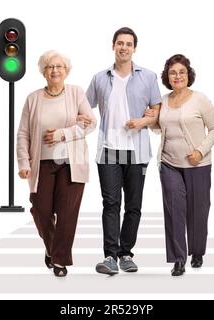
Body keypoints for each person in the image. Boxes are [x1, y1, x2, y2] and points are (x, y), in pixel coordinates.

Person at [86, 27, 162, 275]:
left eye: (129, 44)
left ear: (134, 48)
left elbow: (158, 111)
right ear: (113, 46)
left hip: (137, 151)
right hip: (108, 150)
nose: (124, 47)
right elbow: (84, 109)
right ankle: (110, 256)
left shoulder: (148, 77)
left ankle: (126, 253)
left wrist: (141, 122)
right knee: (110, 204)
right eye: (120, 43)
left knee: (133, 205)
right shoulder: (99, 78)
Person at [17, 50, 96, 277]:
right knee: (40, 210)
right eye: (50, 67)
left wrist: (63, 133)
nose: (55, 70)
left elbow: (90, 124)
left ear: (66, 71)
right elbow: (22, 133)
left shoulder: (76, 93)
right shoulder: (33, 98)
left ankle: (60, 260)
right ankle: (52, 248)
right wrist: (24, 162)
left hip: (72, 163)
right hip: (41, 163)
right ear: (44, 71)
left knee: (67, 214)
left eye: (59, 66)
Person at [146, 54, 214, 276]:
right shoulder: (164, 100)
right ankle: (178, 259)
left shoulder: (200, 99)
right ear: (167, 77)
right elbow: (159, 128)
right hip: (169, 163)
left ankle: (197, 251)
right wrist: (150, 119)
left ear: (188, 75)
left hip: (198, 164)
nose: (177, 76)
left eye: (181, 72)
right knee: (174, 210)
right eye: (172, 73)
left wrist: (200, 151)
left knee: (198, 211)